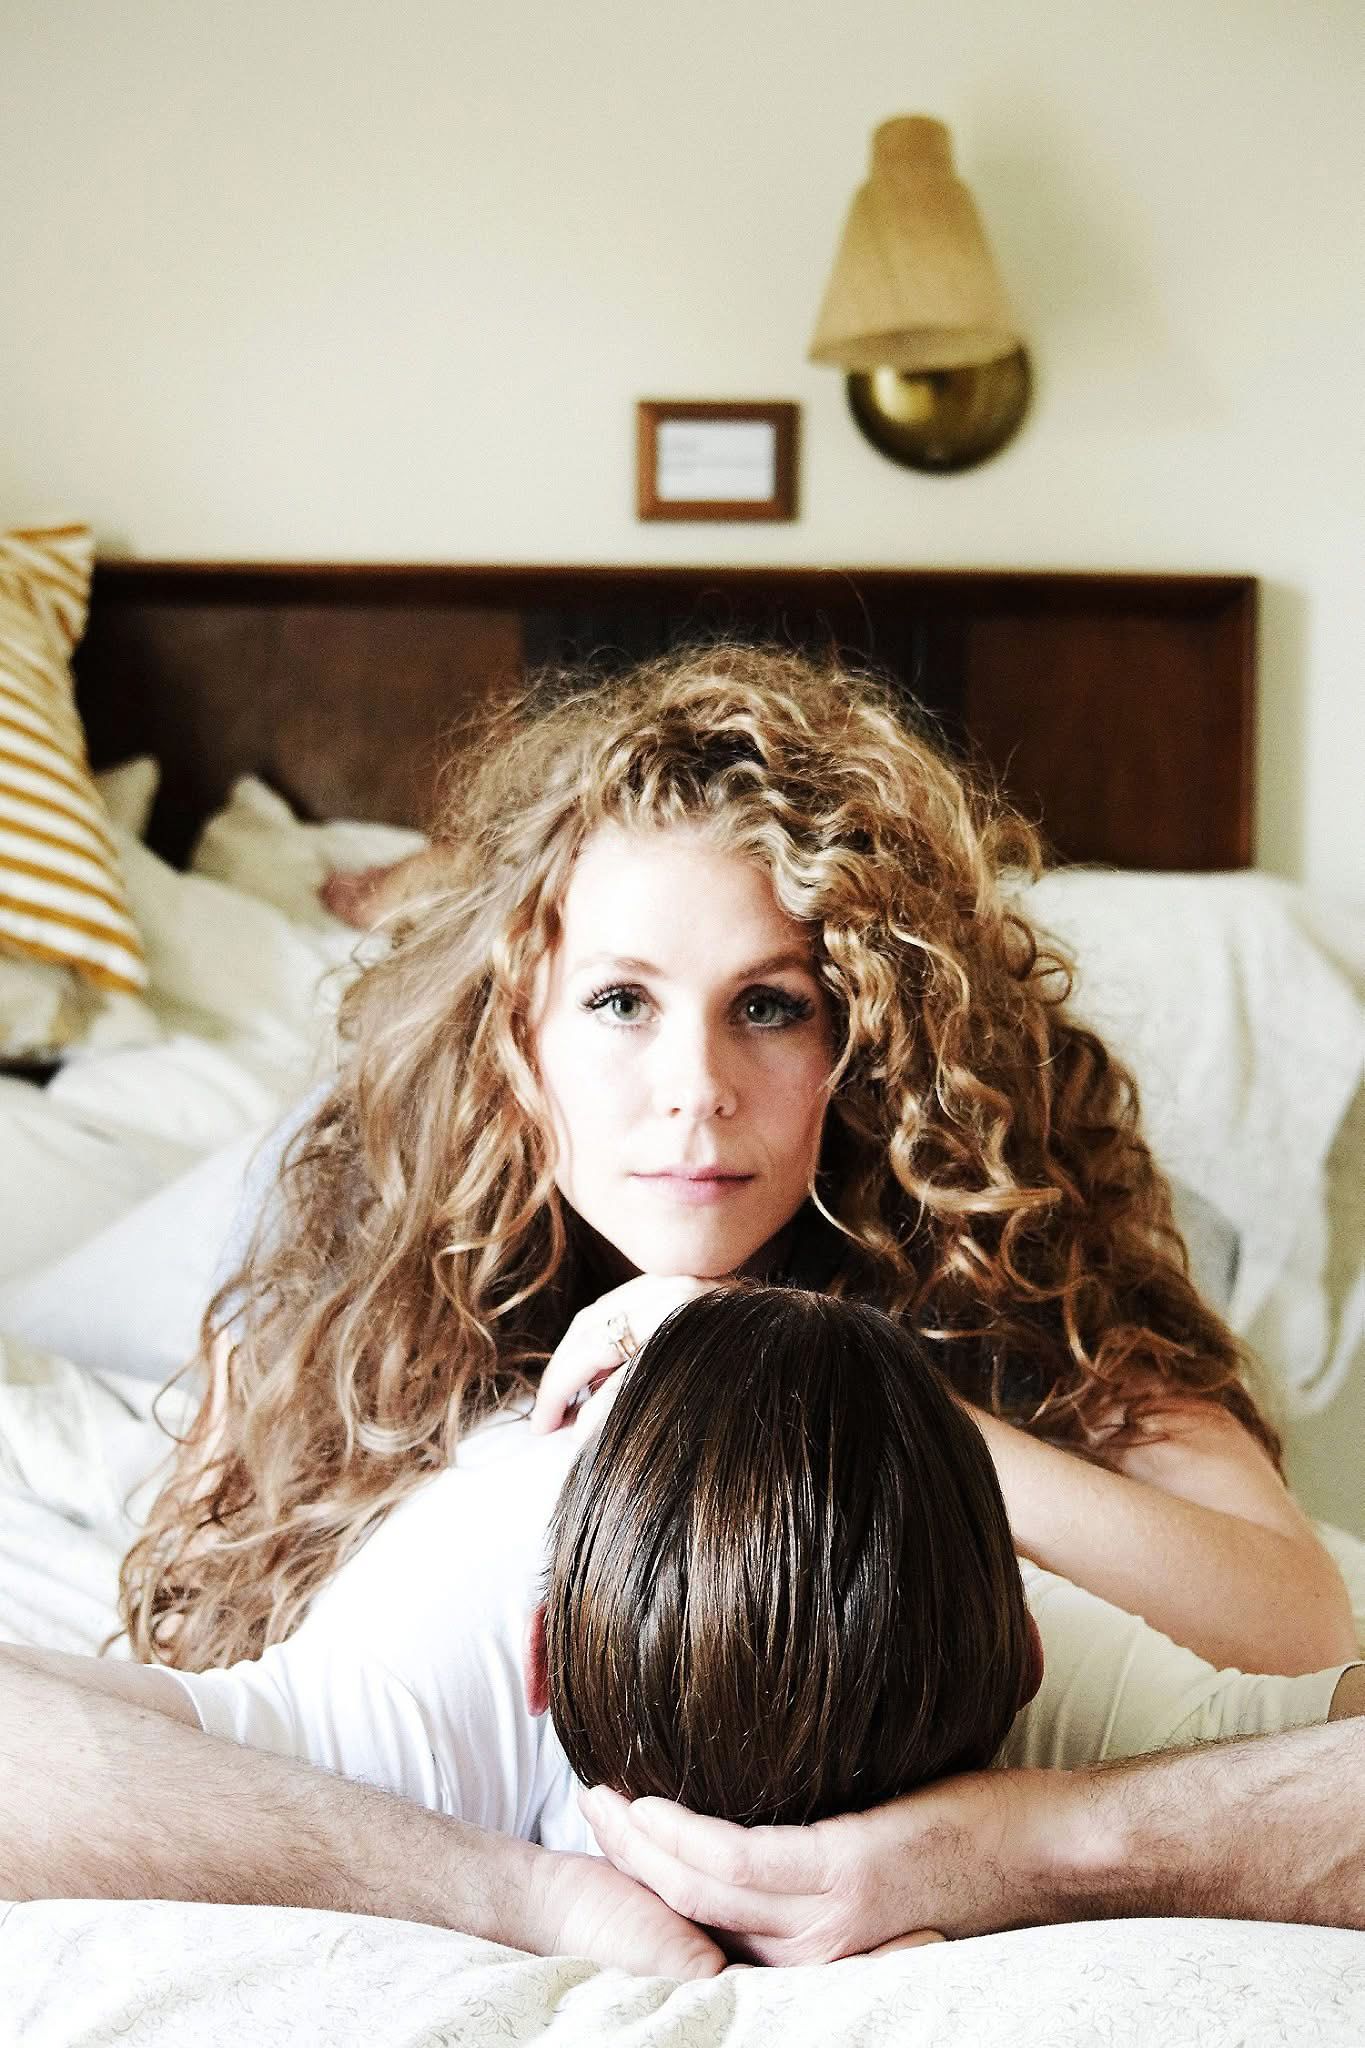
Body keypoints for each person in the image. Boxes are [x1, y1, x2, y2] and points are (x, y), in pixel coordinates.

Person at [1, 643, 1358, 1974]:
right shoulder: (371, 1294)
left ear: (865, 1040)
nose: (693, 1088)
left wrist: (871, 1404)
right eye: (618, 1002)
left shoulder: (1009, 1264)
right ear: (518, 1037)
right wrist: (522, 1894)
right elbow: (220, 1626)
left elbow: (1297, 1626)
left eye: (767, 1005)